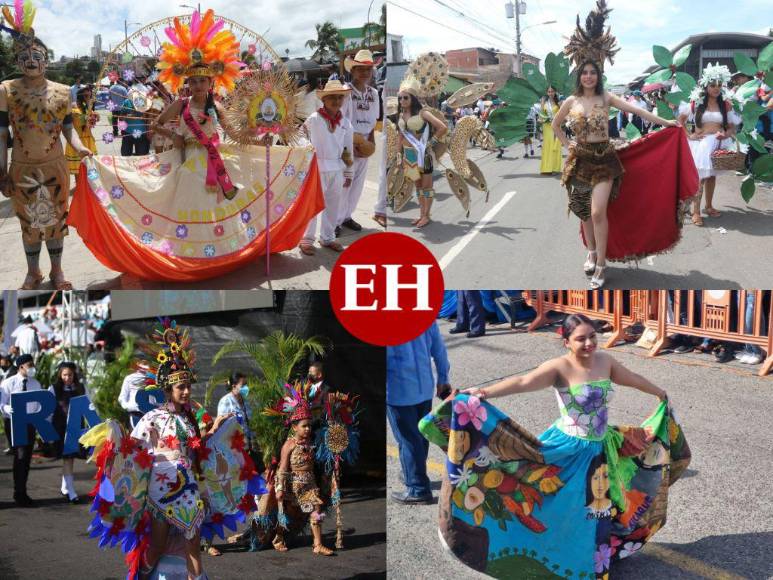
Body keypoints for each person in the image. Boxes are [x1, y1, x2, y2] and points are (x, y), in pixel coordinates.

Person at [417, 313, 689, 577]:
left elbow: (631, 378)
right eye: (581, 339)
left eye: (593, 336)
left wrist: (659, 392)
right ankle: (558, 558)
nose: (589, 344)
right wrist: (483, 393)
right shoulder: (559, 367)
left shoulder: (605, 361)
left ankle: (594, 560)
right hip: (569, 449)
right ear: (567, 342)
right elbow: (523, 382)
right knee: (564, 507)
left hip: (601, 447)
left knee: (599, 508)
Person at [552, 0, 678, 289]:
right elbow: (556, 125)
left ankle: (601, 264)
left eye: (592, 72)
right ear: (578, 75)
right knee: (583, 210)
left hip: (604, 159)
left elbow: (638, 112)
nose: (588, 76)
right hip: (580, 158)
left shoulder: (606, 98)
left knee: (598, 211)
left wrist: (666, 123)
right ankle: (592, 250)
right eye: (584, 73)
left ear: (598, 75)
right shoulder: (571, 101)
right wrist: (568, 145)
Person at [0, 1, 93, 290]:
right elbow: (2, 133)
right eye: (25, 55)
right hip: (22, 168)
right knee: (28, 223)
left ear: (46, 60)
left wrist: (80, 148)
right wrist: (1, 171)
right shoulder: (6, 90)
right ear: (18, 61)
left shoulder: (64, 92)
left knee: (55, 222)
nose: (31, 60)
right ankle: (33, 273)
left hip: (55, 168)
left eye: (36, 55)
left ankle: (57, 271)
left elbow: (68, 128)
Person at [387, 321, 450, 504]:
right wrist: (443, 378)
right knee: (420, 435)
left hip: (399, 390)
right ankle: (414, 471)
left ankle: (417, 487)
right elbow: (439, 348)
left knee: (407, 439)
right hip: (424, 387)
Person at [678, 63, 741, 226]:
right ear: (706, 86)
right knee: (700, 178)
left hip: (718, 144)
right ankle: (696, 211)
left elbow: (732, 126)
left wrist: (725, 134)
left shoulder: (725, 104)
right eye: (713, 85)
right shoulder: (696, 103)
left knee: (712, 177)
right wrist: (689, 136)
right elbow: (680, 121)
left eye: (719, 85)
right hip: (702, 145)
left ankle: (709, 206)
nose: (716, 88)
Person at [273, 392, 335, 556]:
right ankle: (278, 538)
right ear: (294, 427)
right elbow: (283, 468)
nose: (308, 429)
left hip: (310, 485)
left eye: (309, 425)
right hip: (293, 487)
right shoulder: (289, 445)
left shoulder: (313, 442)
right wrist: (280, 488)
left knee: (316, 509)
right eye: (304, 426)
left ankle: (318, 544)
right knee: (288, 514)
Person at [298, 78, 353, 255]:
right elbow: (301, 137)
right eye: (332, 98)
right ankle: (306, 239)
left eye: (339, 98)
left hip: (337, 168)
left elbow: (348, 149)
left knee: (333, 204)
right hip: (317, 167)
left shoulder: (345, 123)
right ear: (324, 99)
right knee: (313, 204)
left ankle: (327, 237)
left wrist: (348, 172)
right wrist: (307, 155)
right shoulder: (314, 119)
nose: (336, 101)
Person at [396, 76, 448, 228]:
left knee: (426, 187)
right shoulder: (401, 115)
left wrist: (431, 143)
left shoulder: (423, 113)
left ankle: (426, 215)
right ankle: (421, 214)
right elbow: (400, 136)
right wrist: (398, 154)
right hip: (409, 155)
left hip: (424, 155)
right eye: (400, 98)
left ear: (412, 98)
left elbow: (442, 127)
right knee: (417, 187)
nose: (402, 101)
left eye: (405, 98)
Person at [340, 49, 381, 233]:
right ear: (353, 70)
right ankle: (335, 221)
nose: (365, 73)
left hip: (365, 143)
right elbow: (341, 120)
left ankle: (347, 216)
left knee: (357, 184)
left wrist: (371, 144)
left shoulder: (373, 93)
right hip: (348, 141)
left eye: (368, 70)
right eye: (360, 69)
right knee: (343, 183)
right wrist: (349, 145)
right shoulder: (346, 92)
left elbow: (373, 122)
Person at [0, 354, 43, 507]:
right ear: (21, 367)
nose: (32, 368)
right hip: (13, 423)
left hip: (30, 423)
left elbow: (39, 403)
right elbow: (1, 403)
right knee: (20, 455)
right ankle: (19, 492)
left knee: (25, 458)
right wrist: (7, 408)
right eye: (29, 365)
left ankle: (21, 491)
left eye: (33, 364)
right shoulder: (8, 383)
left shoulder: (35, 384)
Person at [48, 361, 85, 503]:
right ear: (60, 374)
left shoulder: (81, 387)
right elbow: (48, 410)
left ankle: (65, 487)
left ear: (74, 374)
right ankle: (71, 491)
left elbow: (89, 405)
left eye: (70, 374)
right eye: (64, 375)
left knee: (70, 458)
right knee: (68, 458)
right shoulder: (54, 389)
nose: (67, 377)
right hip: (60, 427)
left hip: (76, 427)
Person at [65, 85, 98, 176]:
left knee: (90, 167)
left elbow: (92, 122)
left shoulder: (88, 107)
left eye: (90, 96)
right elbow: (79, 122)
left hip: (88, 139)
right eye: (86, 96)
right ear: (81, 96)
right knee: (78, 169)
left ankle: (88, 187)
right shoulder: (73, 107)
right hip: (77, 140)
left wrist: (89, 105)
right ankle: (79, 188)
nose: (89, 98)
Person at [539, 87, 563, 174]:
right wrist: (542, 106)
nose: (550, 93)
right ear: (547, 93)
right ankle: (547, 168)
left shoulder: (559, 103)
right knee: (548, 146)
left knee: (556, 146)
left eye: (552, 91)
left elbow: (562, 115)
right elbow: (541, 117)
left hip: (556, 126)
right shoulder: (544, 103)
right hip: (547, 127)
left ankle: (555, 168)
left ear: (555, 92)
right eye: (549, 92)